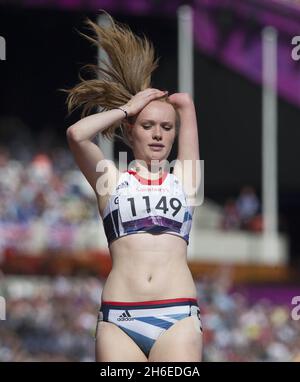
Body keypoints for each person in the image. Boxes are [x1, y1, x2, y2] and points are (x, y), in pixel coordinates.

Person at [64, 12, 202, 362]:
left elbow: (185, 105)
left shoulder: (184, 180)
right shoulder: (111, 180)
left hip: (177, 316)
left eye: (167, 127)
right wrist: (128, 107)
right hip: (118, 318)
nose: (158, 133)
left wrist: (177, 102)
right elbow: (76, 135)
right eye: (148, 125)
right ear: (129, 130)